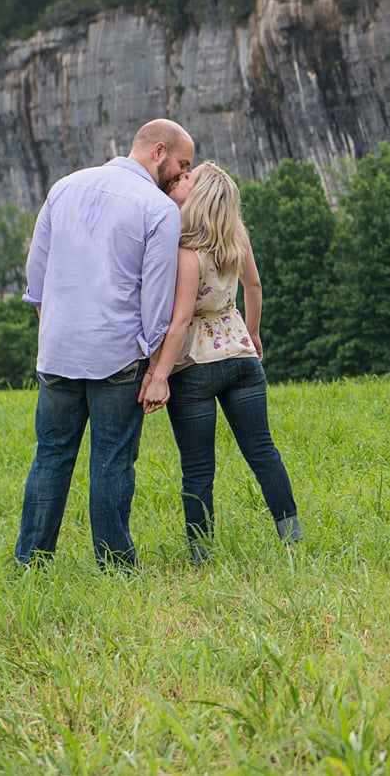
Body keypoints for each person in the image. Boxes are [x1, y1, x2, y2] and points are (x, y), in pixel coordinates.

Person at [15, 118, 195, 570]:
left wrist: (53, 329)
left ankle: (31, 563)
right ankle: (115, 567)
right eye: (181, 163)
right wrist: (153, 363)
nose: (181, 173)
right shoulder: (158, 209)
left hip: (57, 351)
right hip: (118, 354)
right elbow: (156, 299)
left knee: (51, 456)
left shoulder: (64, 187)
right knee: (113, 460)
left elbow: (36, 277)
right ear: (158, 151)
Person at [141, 161, 302, 561]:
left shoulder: (186, 253)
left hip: (194, 365)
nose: (183, 179)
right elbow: (254, 285)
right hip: (243, 358)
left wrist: (159, 374)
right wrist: (253, 332)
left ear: (198, 197)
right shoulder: (236, 240)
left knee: (197, 468)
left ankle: (201, 553)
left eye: (189, 179)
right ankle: (292, 535)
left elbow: (179, 321)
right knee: (263, 451)